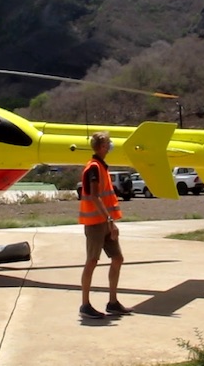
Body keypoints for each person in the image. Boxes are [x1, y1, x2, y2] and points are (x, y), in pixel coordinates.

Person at [78, 131, 134, 319]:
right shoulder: (93, 168)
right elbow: (94, 196)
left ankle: (113, 302)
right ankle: (85, 304)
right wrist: (109, 220)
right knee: (92, 261)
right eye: (108, 143)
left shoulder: (102, 167)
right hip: (95, 223)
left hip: (104, 221)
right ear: (102, 147)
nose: (111, 145)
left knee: (117, 258)